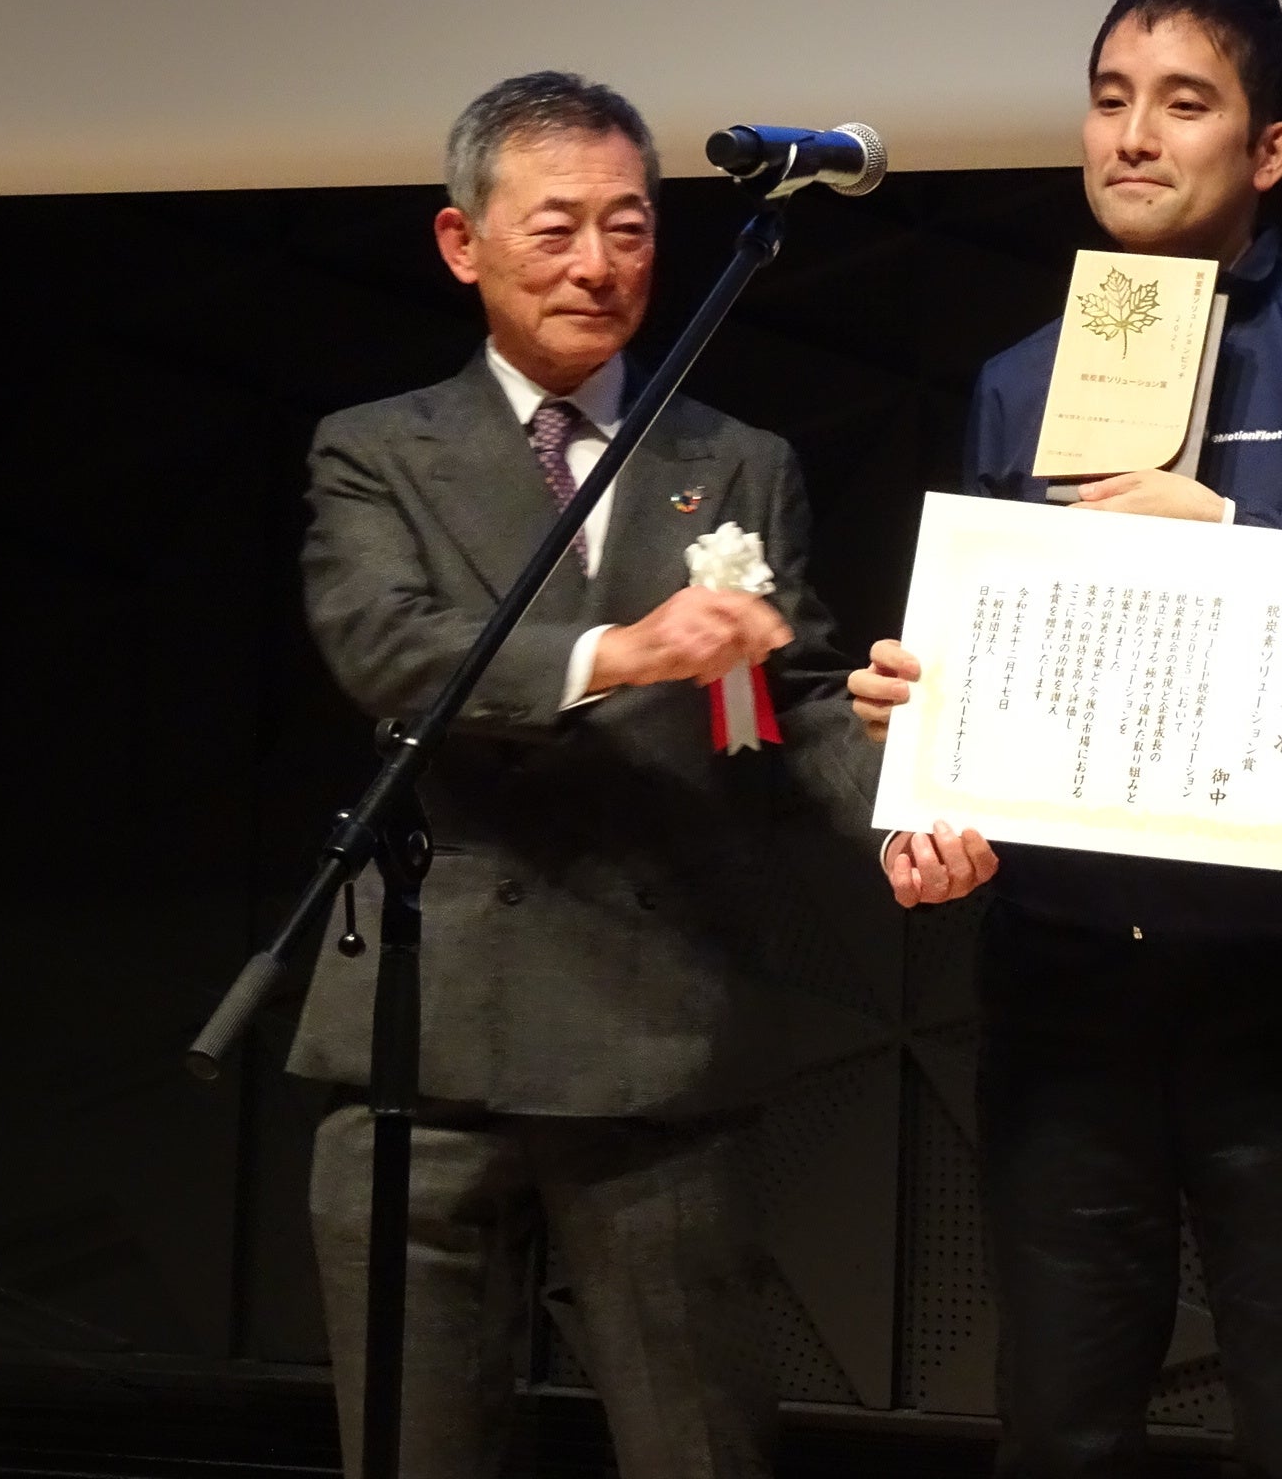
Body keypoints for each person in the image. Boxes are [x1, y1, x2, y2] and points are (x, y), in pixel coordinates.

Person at [849, 0, 1282, 1477]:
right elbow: (989, 642)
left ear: (1270, 150)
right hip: (1064, 978)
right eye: (1109, 100)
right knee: (1059, 1427)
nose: (1133, 136)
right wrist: (923, 746)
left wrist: (1228, 526)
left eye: (1183, 103)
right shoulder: (1022, 378)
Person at [287, 71, 877, 1479]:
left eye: (629, 227)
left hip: (659, 1029)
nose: (598, 264)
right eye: (556, 228)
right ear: (463, 241)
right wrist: (622, 651)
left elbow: (794, 704)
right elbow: (392, 653)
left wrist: (915, 814)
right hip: (428, 1030)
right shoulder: (376, 450)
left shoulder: (739, 461)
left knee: (699, 1448)